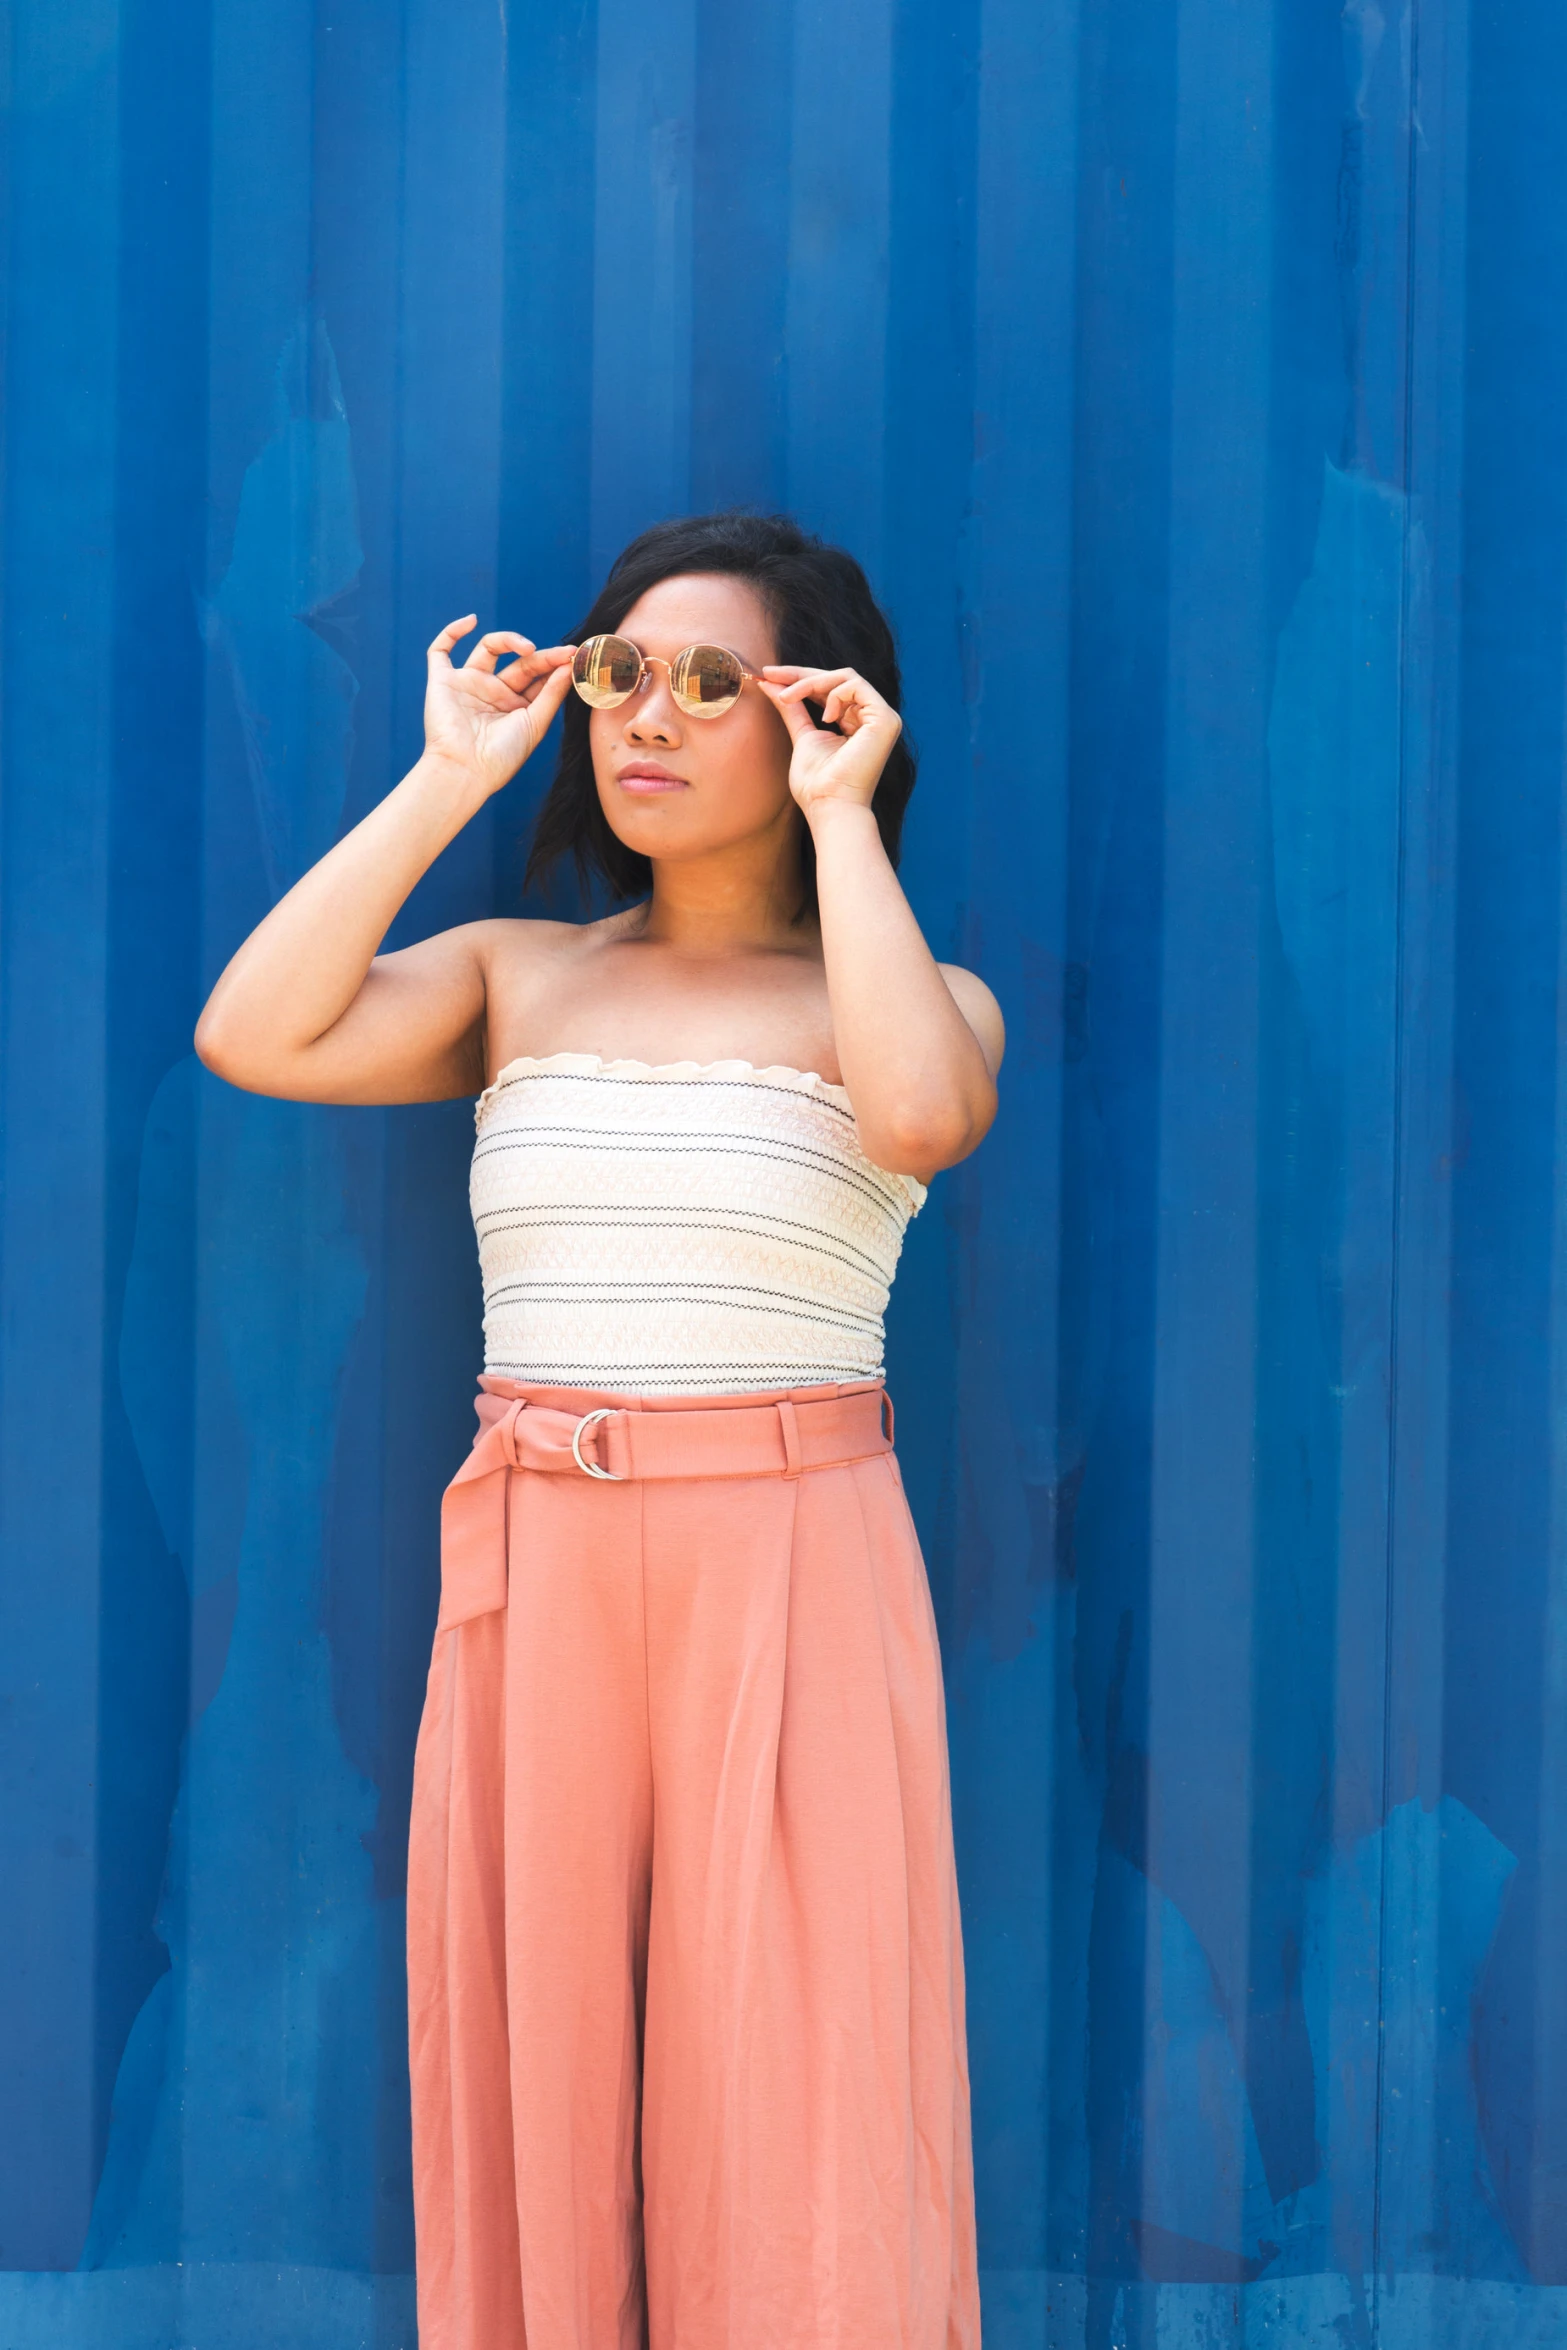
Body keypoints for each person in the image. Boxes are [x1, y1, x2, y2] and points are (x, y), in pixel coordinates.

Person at [195, 509, 1003, 2349]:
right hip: (539, 1565)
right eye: (618, 673)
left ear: (811, 716)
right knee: (532, 2084)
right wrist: (442, 777)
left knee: (802, 2097)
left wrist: (841, 823)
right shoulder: (514, 976)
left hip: (790, 1560)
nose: (647, 714)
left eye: (712, 681)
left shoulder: (915, 996)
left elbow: (918, 1111)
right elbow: (254, 1029)